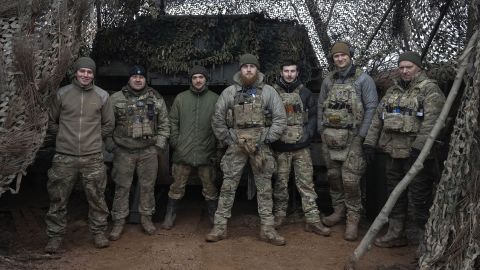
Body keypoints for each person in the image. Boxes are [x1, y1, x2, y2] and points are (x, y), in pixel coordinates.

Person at [363, 51, 445, 248]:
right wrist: (369, 143)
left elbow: (432, 123)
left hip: (417, 157)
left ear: (418, 67)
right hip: (393, 154)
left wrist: (419, 150)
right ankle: (396, 233)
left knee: (418, 198)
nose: (405, 71)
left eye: (409, 67)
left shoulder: (430, 90)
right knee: (394, 194)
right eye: (401, 67)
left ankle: (422, 242)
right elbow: (377, 119)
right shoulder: (393, 91)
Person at [206, 53, 287, 245]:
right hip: (237, 145)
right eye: (245, 67)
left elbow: (280, 119)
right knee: (228, 186)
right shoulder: (230, 92)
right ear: (240, 70)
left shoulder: (268, 92)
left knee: (265, 188)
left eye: (252, 67)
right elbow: (217, 119)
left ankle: (267, 229)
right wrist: (230, 139)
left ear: (257, 69)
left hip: (260, 146)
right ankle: (219, 227)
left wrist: (265, 139)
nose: (248, 70)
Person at [44, 57, 114, 252]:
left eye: (89, 72)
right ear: (75, 72)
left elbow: (108, 124)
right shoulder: (62, 94)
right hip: (64, 157)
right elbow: (50, 121)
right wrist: (65, 135)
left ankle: (99, 232)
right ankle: (55, 237)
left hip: (93, 157)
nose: (85, 75)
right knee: (58, 198)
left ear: (93, 75)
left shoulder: (102, 96)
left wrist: (93, 138)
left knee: (97, 197)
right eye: (82, 71)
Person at [317, 41, 378, 241]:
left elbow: (371, 108)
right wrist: (321, 131)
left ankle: (353, 218)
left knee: (350, 180)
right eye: (336, 56)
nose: (340, 59)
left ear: (350, 56)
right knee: (334, 176)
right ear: (333, 59)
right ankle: (338, 211)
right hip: (330, 139)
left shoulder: (363, 80)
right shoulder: (328, 81)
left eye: (343, 55)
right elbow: (320, 107)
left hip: (354, 138)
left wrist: (363, 136)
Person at [108, 65, 170, 241]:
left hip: (148, 151)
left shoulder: (156, 98)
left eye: (141, 77)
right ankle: (119, 221)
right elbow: (106, 125)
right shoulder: (116, 99)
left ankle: (146, 219)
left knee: (148, 187)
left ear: (145, 80)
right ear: (129, 79)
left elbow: (164, 125)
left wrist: (158, 146)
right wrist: (112, 146)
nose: (137, 79)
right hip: (123, 151)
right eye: (134, 76)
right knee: (122, 187)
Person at [271, 60, 330, 236]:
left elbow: (313, 117)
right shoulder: (272, 93)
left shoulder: (305, 93)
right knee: (280, 183)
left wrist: (308, 135)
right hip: (280, 147)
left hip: (301, 147)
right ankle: (279, 215)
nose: (289, 74)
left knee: (306, 184)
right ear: (281, 72)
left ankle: (312, 219)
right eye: (286, 71)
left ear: (297, 73)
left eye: (292, 71)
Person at [161, 65, 219, 229]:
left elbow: (219, 124)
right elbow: (173, 122)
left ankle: (214, 218)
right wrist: (176, 142)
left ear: (206, 79)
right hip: (183, 152)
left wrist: (215, 146)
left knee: (210, 188)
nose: (198, 80)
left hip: (206, 152)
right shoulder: (181, 98)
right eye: (195, 77)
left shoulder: (215, 99)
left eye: (201, 77)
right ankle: (170, 216)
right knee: (176, 187)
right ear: (191, 80)